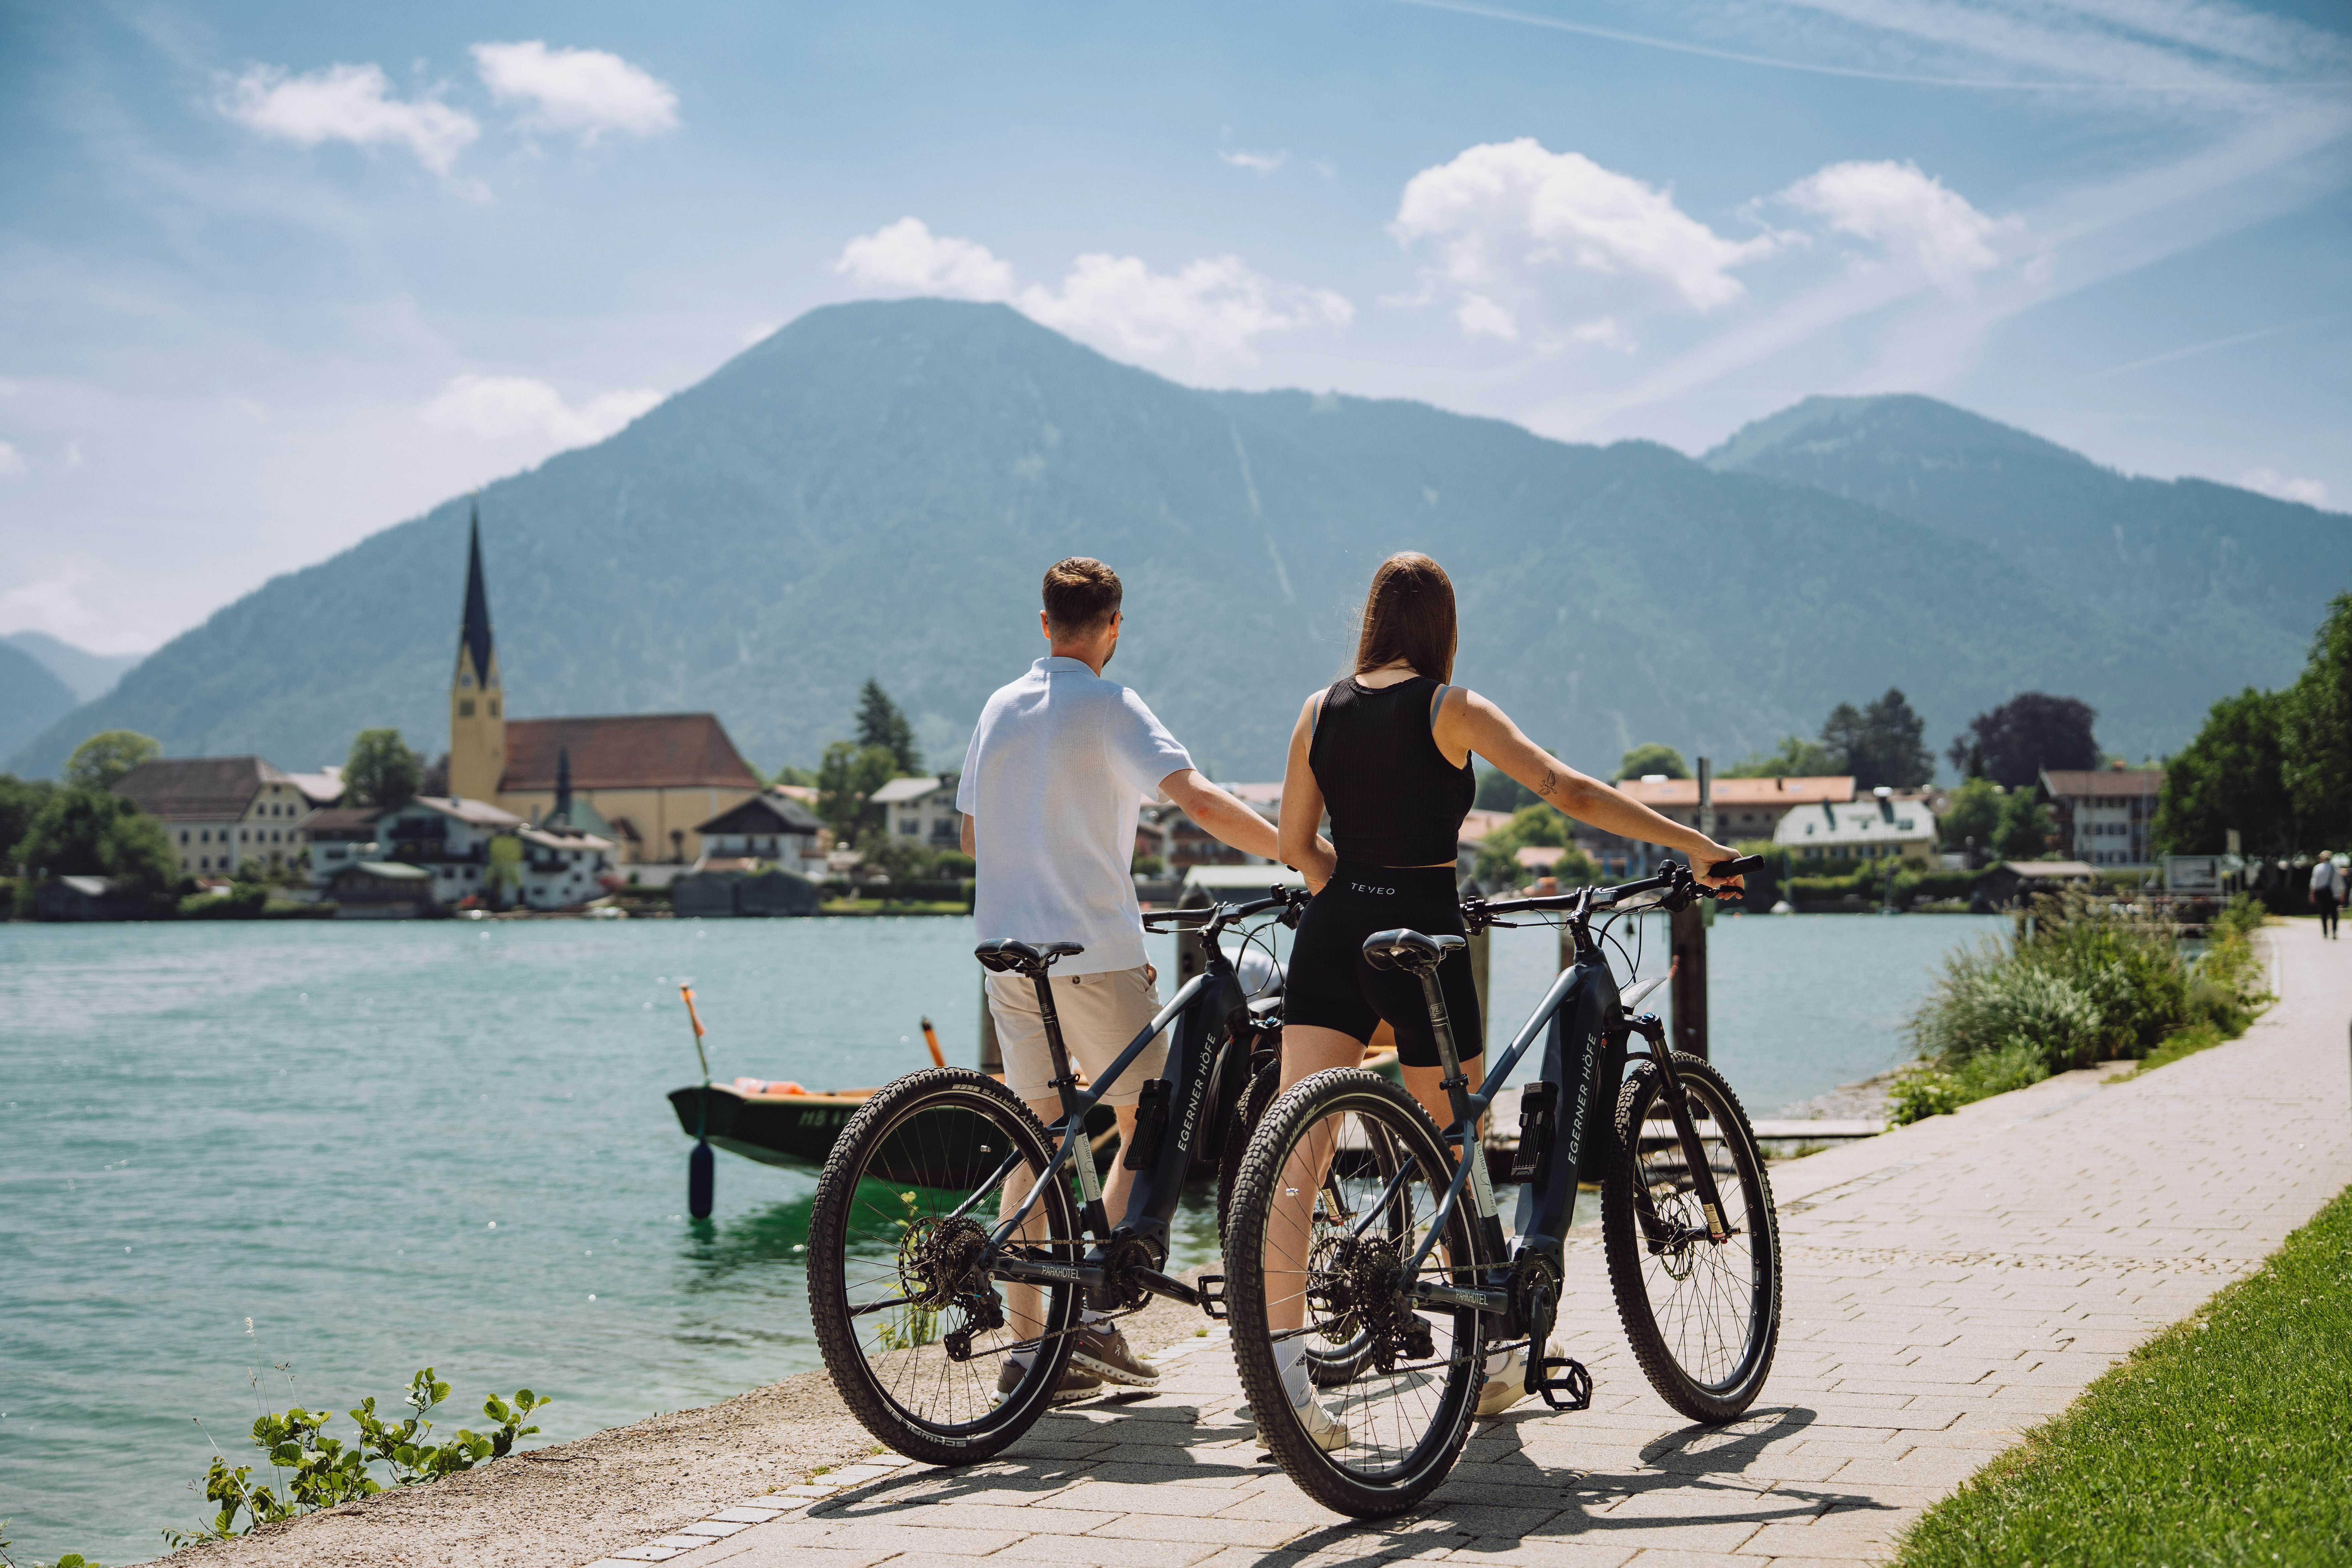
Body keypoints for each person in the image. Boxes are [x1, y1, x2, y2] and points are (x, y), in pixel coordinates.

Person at [1265, 552, 1747, 1440]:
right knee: (1456, 1146)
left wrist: (1348, 892)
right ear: (1442, 628)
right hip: (1425, 936)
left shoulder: (1316, 710)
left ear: (1370, 622)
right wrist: (1692, 843)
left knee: (1299, 1157)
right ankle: (1486, 1357)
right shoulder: (1453, 708)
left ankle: (1286, 1387)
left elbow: (1296, 842)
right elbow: (1568, 789)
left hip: (1331, 936)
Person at [960, 556, 1328, 1404]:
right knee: (1151, 1111)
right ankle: (1092, 1299)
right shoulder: (1113, 705)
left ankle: (1032, 1351)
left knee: (1041, 1131)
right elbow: (1199, 802)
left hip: (1006, 953)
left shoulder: (998, 706)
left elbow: (976, 839)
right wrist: (1302, 851)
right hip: (1092, 951)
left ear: (1044, 623)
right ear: (1114, 627)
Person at [2312, 851, 2341, 939]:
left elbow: (2314, 883)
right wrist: (2342, 893)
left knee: (2324, 913)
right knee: (2334, 914)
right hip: (2334, 895)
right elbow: (2340, 883)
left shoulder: (2317, 868)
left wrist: (2312, 894)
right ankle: (2334, 931)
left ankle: (2325, 933)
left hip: (2322, 895)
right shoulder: (2335, 869)